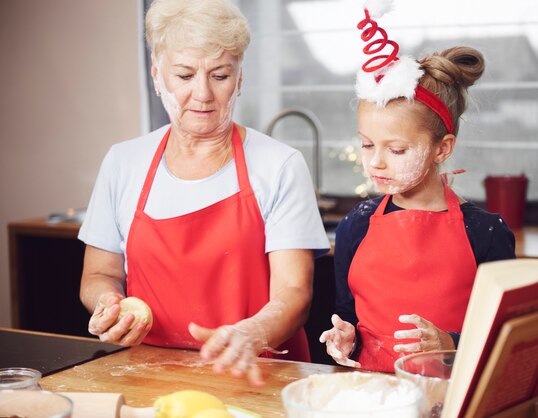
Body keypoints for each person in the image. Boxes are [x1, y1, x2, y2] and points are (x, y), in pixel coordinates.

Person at [78, 0, 329, 385]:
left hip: (258, 377)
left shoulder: (279, 165)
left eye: (220, 75)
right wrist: (108, 307)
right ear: (157, 74)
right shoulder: (123, 162)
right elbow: (98, 275)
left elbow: (294, 293)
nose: (203, 94)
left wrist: (252, 332)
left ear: (240, 78)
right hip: (149, 378)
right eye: (184, 75)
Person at [319, 2, 515, 373]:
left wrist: (450, 344)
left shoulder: (486, 234)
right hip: (375, 398)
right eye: (366, 144)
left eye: (396, 149)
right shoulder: (355, 227)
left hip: (455, 400)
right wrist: (346, 336)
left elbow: (507, 339)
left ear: (442, 148)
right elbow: (349, 315)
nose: (375, 161)